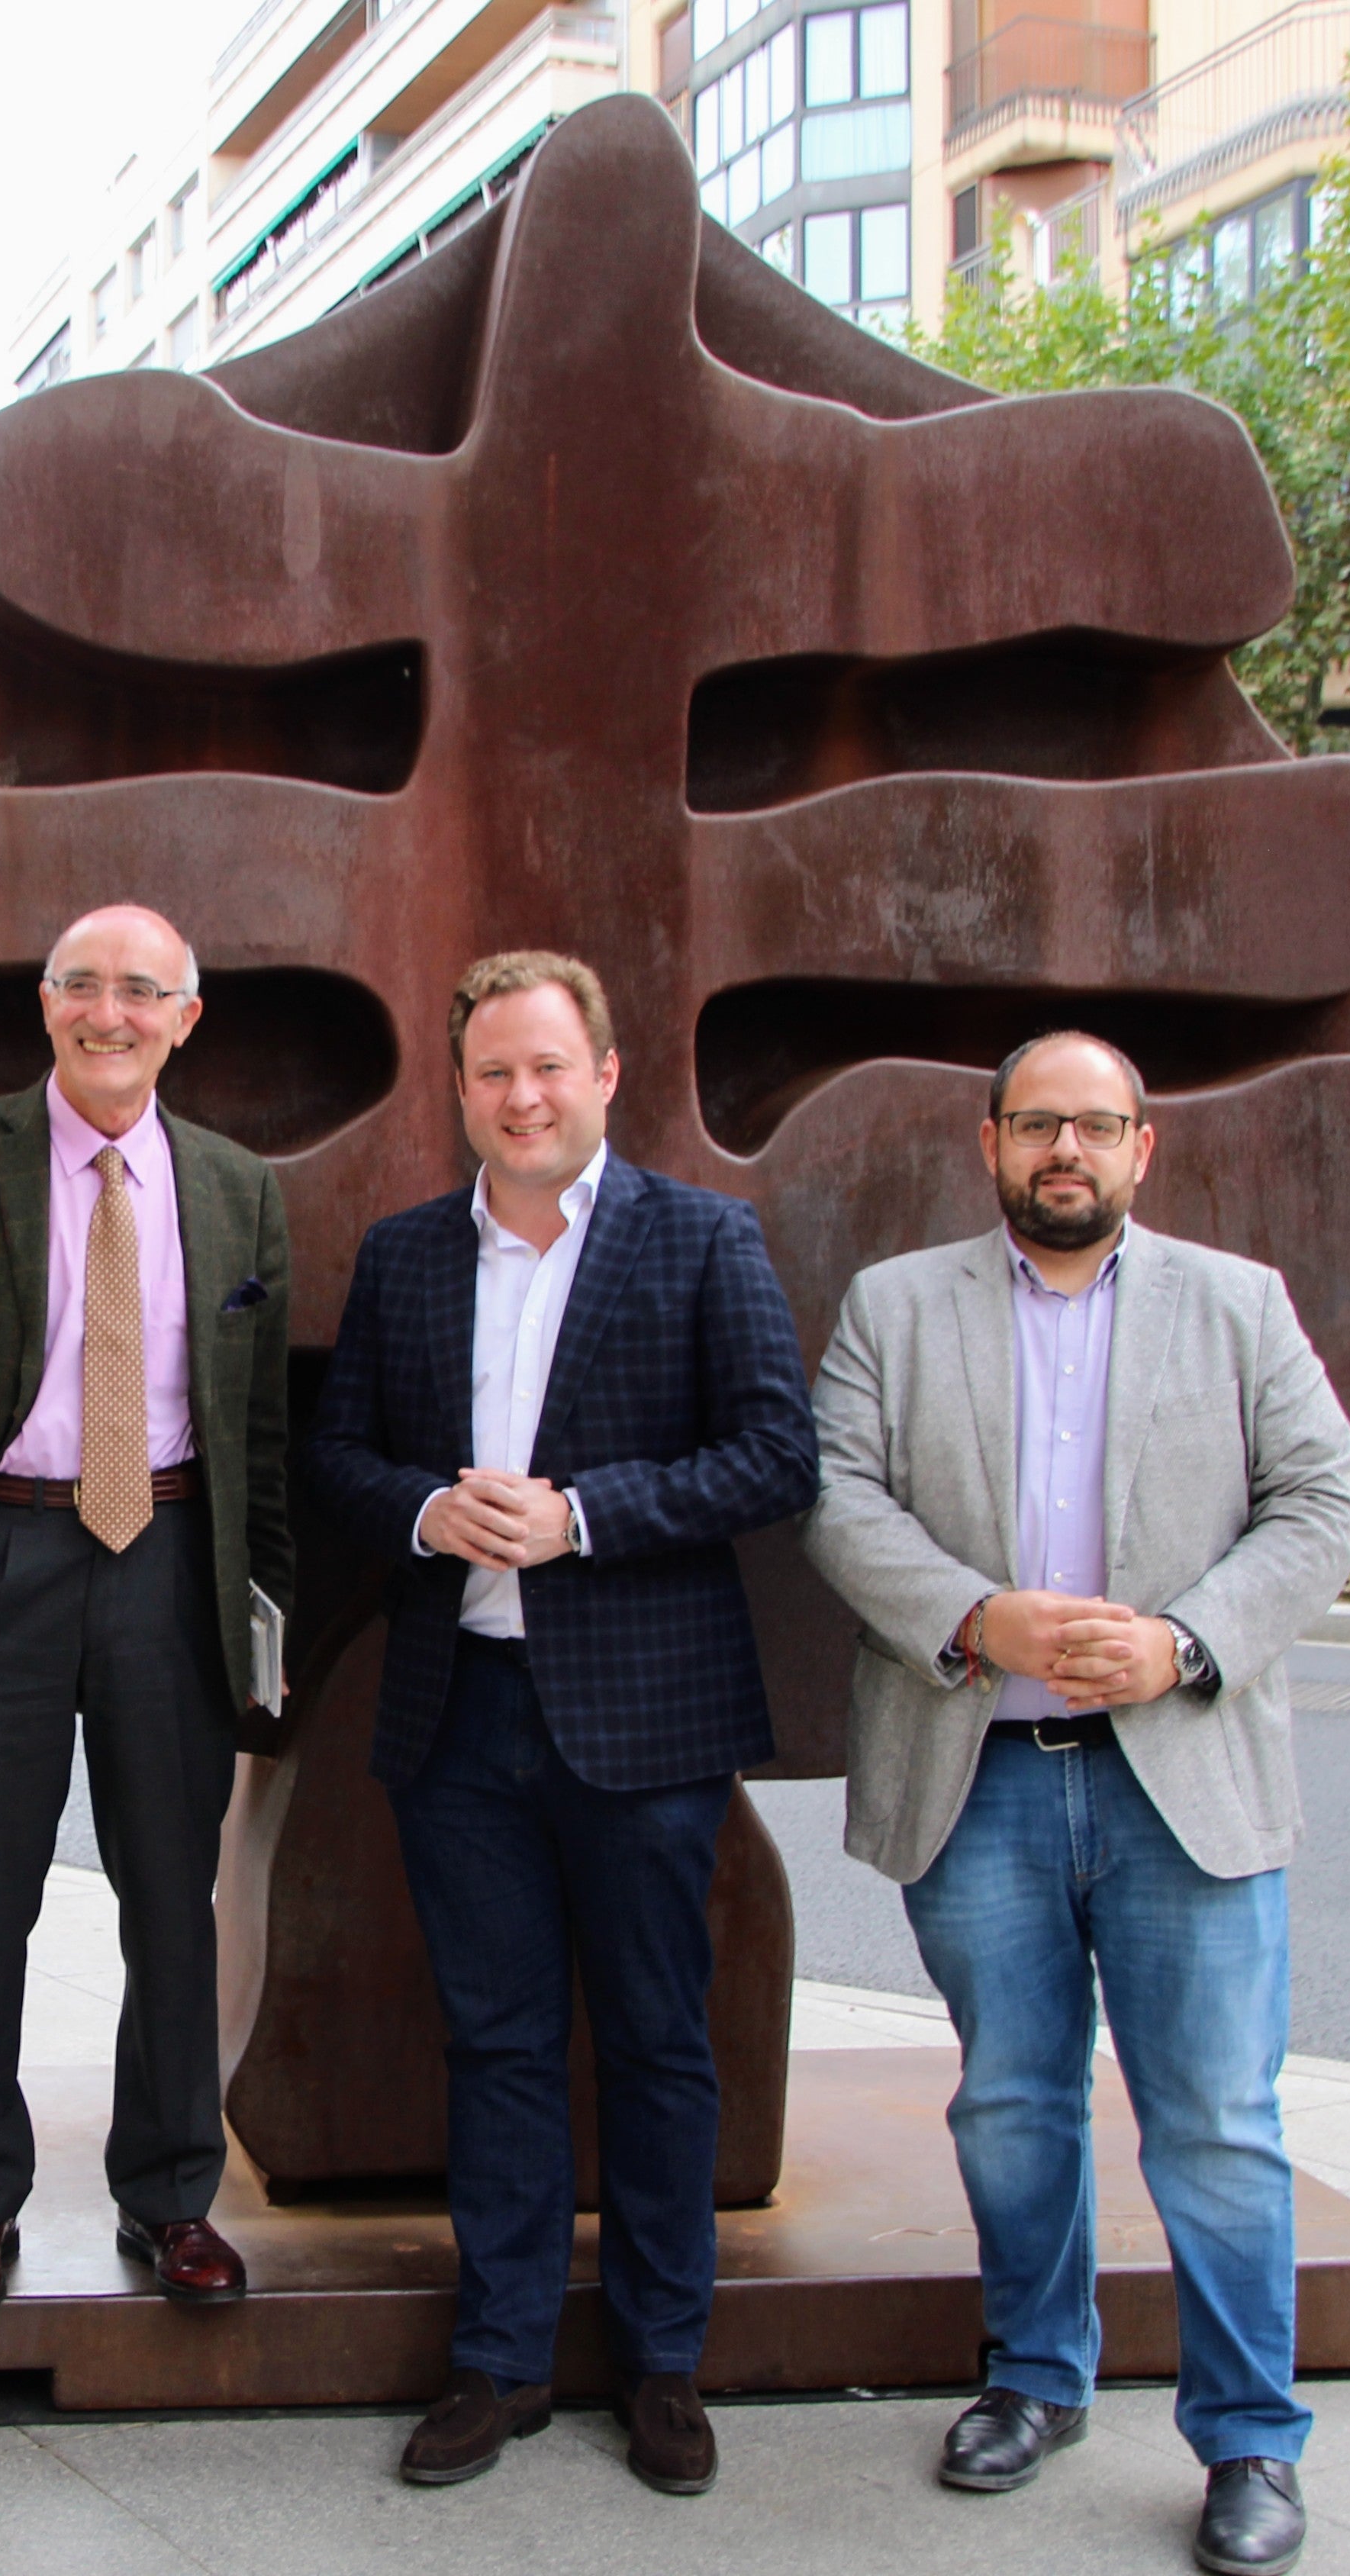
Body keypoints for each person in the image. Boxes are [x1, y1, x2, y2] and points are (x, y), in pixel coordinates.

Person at [801, 1032, 1350, 2576]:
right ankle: (1035, 2375)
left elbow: (1323, 1503)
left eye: (1097, 1124)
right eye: (1039, 1122)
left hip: (1181, 1775)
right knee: (1011, 2102)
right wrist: (982, 1616)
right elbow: (840, 1495)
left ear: (1143, 1147)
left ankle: (1250, 2436)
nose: (1069, 1148)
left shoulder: (1236, 1305)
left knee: (1217, 2124)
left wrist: (1183, 1640)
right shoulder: (896, 1305)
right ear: (988, 1140)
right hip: (980, 1773)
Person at [305, 952, 819, 2497]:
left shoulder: (702, 1239)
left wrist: (585, 1515)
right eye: (491, 1075)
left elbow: (775, 1456)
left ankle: (664, 2363)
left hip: (645, 1720)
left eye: (547, 1067)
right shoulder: (402, 1258)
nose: (520, 1097)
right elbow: (335, 1453)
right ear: (459, 1091)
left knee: (663, 2045)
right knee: (500, 2044)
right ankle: (504, 2354)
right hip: (458, 1718)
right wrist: (427, 1508)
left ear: (604, 1072)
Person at [0, 903, 294, 2320]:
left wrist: (258, 1597)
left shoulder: (237, 1188)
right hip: (0, 1563)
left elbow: (259, 1420)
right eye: (86, 986)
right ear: (45, 1004)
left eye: (143, 991)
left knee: (175, 1904)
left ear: (186, 1018)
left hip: (169, 1565)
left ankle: (169, 2200)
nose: (114, 1012)